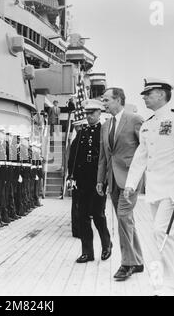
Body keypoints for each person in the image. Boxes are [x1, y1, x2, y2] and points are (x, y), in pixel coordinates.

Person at [124, 78, 174, 296]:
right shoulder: (148, 124)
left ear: (161, 94)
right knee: (167, 236)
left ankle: (173, 288)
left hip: (173, 190)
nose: (144, 97)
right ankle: (173, 287)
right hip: (155, 191)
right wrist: (130, 184)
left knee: (161, 232)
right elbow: (141, 157)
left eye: (148, 93)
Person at [97, 87, 144, 281]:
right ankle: (138, 260)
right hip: (113, 181)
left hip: (130, 180)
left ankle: (127, 263)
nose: (104, 103)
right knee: (126, 220)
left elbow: (145, 150)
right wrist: (100, 180)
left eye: (106, 100)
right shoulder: (106, 125)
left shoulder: (135, 120)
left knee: (124, 218)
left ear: (118, 99)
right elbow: (103, 157)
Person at [67, 100, 112, 263]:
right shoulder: (82, 132)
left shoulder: (104, 131)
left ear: (99, 114)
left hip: (98, 179)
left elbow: (108, 157)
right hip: (83, 179)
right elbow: (73, 155)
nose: (89, 116)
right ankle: (87, 252)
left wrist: (107, 179)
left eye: (93, 113)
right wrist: (70, 176)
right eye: (87, 113)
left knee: (98, 214)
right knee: (82, 216)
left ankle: (107, 244)